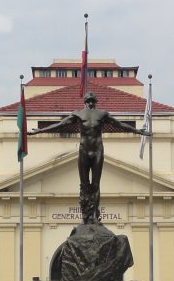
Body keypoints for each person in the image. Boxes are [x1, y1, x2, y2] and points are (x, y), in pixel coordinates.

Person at [29, 91, 149, 224]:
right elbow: (60, 125)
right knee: (84, 185)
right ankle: (85, 216)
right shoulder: (78, 114)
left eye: (93, 101)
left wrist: (138, 131)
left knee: (96, 185)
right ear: (85, 102)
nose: (91, 103)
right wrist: (41, 131)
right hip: (84, 150)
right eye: (88, 101)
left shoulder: (102, 114)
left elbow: (119, 124)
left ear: (95, 102)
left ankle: (94, 216)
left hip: (97, 150)